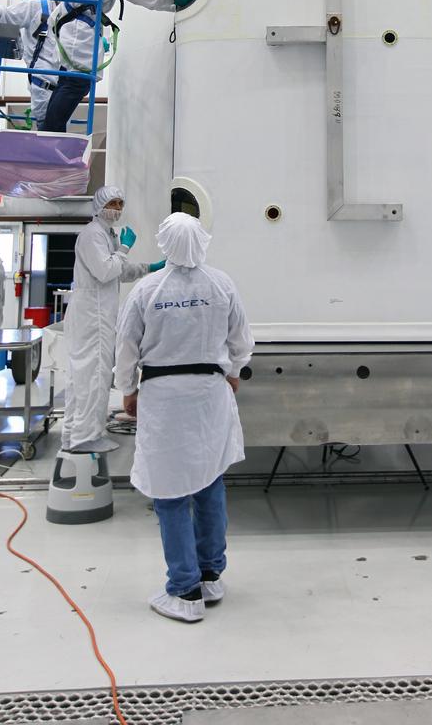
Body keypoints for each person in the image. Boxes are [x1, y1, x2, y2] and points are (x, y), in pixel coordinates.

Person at [115, 212, 254, 624]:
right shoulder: (221, 284)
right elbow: (241, 339)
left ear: (163, 244)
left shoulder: (147, 289)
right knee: (209, 482)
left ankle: (184, 589)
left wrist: (128, 389)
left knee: (170, 492)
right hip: (209, 393)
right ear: (202, 241)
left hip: (163, 398)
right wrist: (233, 373)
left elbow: (127, 346)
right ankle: (210, 575)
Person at [42, 0, 194, 133]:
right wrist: (171, 1)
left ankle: (51, 131)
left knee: (71, 80)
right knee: (76, 82)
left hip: (78, 22)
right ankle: (52, 133)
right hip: (78, 24)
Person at [61, 185, 165, 454]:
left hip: (97, 313)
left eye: (120, 204)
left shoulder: (105, 236)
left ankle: (75, 433)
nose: (117, 209)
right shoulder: (91, 236)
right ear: (99, 204)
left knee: (87, 376)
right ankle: (86, 438)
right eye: (113, 203)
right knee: (93, 375)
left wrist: (149, 268)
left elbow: (120, 270)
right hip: (91, 316)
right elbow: (106, 270)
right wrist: (125, 248)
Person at [0, 0, 67, 127]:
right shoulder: (35, 6)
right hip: (43, 81)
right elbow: (7, 17)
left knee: (58, 128)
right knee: (48, 127)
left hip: (63, 82)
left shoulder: (70, 12)